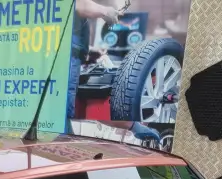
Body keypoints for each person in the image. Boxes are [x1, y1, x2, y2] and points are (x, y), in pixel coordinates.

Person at [64, 1, 161, 145]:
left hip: (64, 55)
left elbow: (90, 108)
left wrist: (87, 51)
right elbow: (73, 4)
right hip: (65, 57)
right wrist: (105, 11)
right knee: (61, 121)